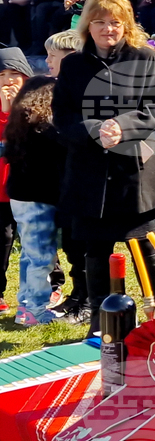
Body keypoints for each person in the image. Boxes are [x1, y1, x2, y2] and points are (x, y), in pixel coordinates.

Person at [52, 0, 155, 336]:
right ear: (88, 25)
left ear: (127, 25)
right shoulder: (74, 64)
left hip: (134, 170)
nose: (109, 29)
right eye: (101, 22)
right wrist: (93, 130)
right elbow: (61, 115)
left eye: (116, 22)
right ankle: (100, 319)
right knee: (96, 248)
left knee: (145, 245)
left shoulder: (144, 58)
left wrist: (123, 126)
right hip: (90, 170)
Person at [8, 74, 66, 326]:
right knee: (41, 257)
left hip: (20, 198)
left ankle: (25, 304)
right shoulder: (45, 129)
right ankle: (35, 309)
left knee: (30, 255)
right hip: (38, 199)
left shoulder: (19, 123)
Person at [40, 31, 89, 324]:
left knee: (82, 244)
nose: (47, 62)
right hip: (61, 181)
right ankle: (77, 294)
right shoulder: (53, 88)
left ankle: (88, 298)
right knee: (71, 244)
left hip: (81, 179)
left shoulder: (81, 91)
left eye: (53, 57)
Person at [0, 48, 32, 317]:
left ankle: (47, 287)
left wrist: (12, 110)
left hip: (27, 185)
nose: (8, 80)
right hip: (1, 189)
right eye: (2, 74)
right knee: (2, 237)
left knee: (36, 237)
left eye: (14, 74)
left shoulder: (35, 102)